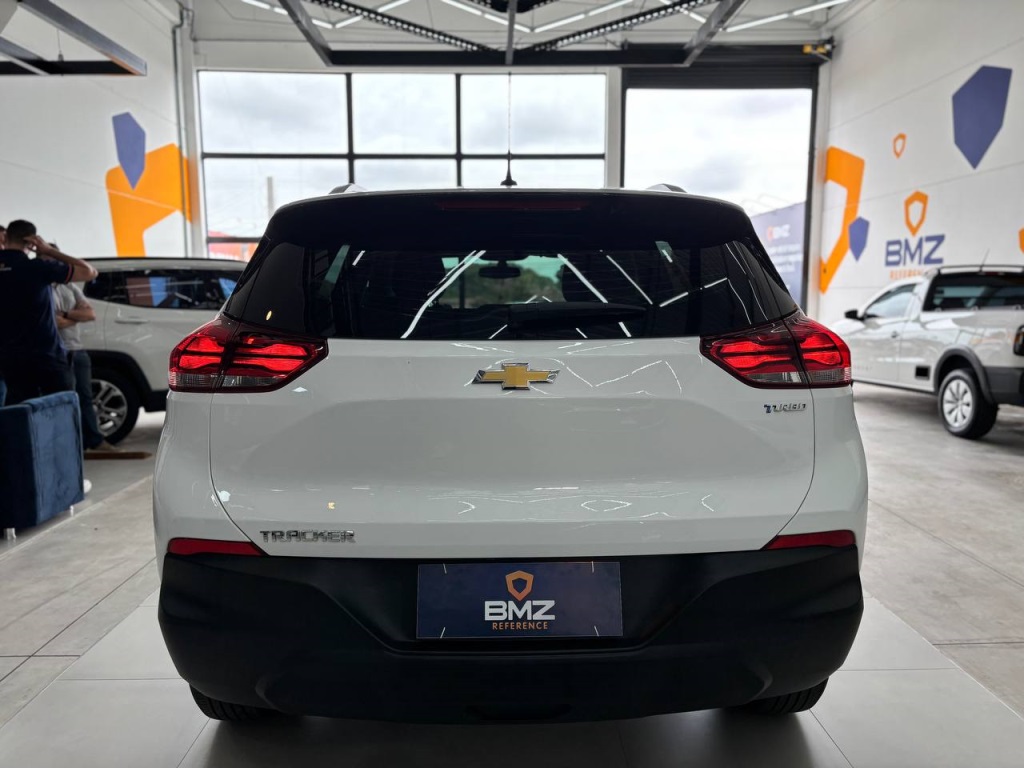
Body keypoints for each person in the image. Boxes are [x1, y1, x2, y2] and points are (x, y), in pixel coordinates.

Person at [0, 220, 98, 405]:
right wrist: (49, 251)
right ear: (31, 241)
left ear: (6, 237)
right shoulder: (37, 268)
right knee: (61, 408)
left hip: (10, 357)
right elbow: (89, 272)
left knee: (20, 411)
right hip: (45, 353)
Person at [50, 259, 117, 452]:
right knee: (63, 400)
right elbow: (54, 322)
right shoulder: (40, 288)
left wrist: (65, 314)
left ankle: (95, 441)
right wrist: (75, 316)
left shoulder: (69, 287)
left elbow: (89, 314)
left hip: (77, 349)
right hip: (56, 352)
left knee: (85, 398)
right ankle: (70, 445)